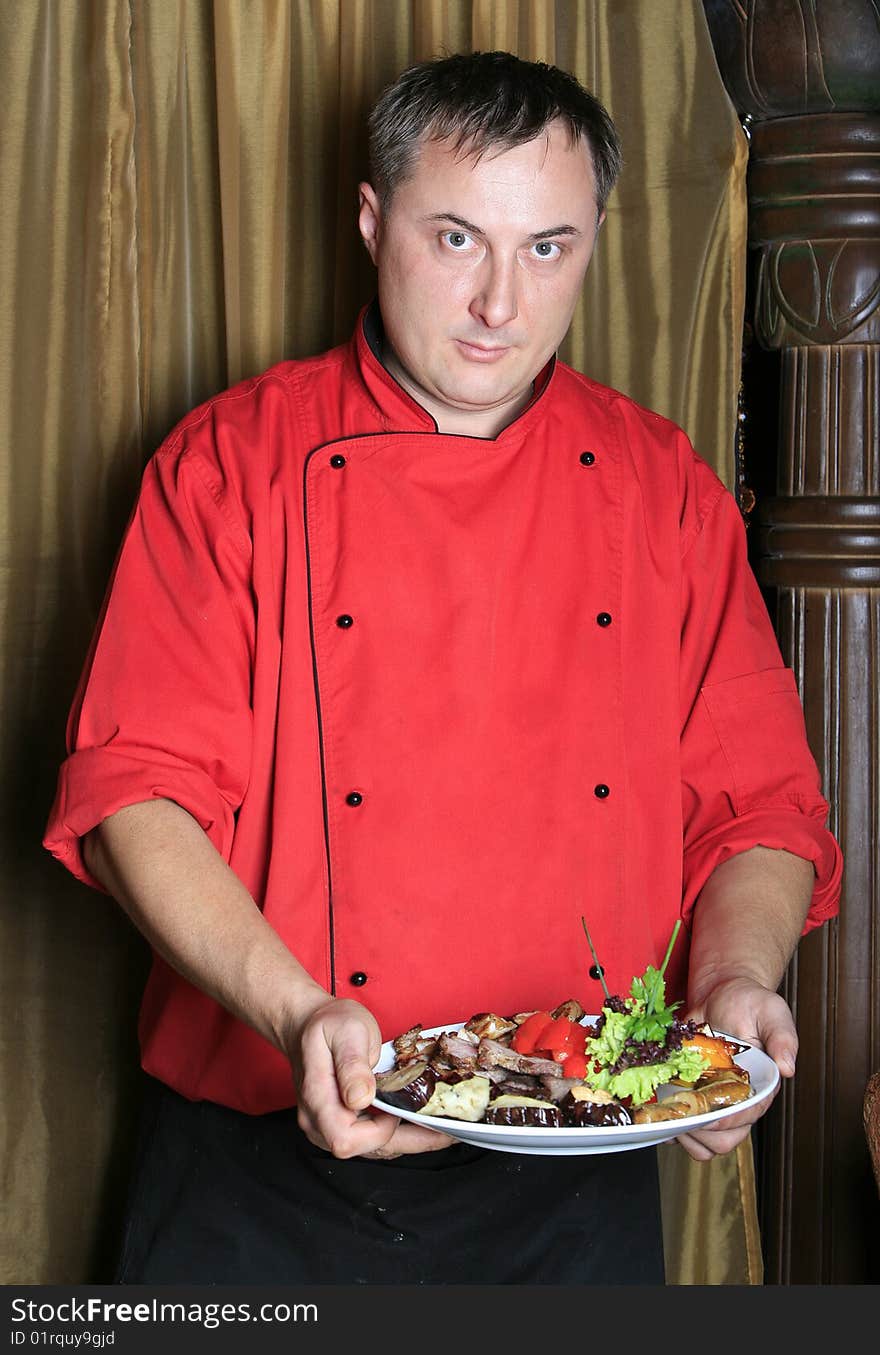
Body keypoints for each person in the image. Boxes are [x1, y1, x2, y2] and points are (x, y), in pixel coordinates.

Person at [44, 50, 842, 1285]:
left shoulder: (658, 485)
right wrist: (301, 1015)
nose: (499, 305)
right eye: (457, 238)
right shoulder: (232, 463)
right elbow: (132, 792)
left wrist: (735, 983)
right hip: (261, 1176)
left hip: (576, 1176)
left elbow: (760, 808)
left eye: (547, 248)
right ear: (373, 221)